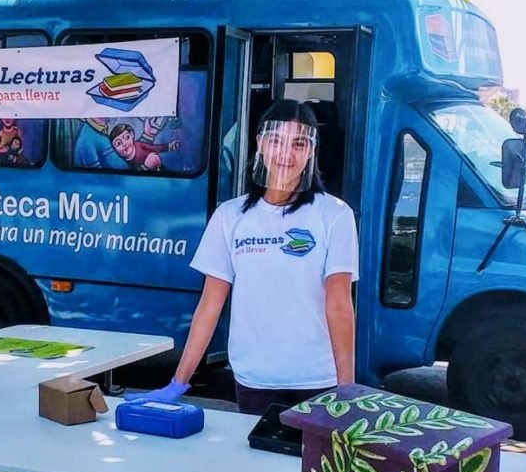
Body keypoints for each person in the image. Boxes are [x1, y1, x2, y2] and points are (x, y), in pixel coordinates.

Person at [135, 99, 358, 416]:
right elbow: (210, 306)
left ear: (311, 151)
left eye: (298, 143)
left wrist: (346, 388)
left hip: (317, 379)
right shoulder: (231, 216)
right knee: (256, 464)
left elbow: (339, 304)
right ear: (260, 144)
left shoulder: (334, 214)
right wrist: (178, 383)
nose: (286, 154)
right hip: (254, 379)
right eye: (276, 140)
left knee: (310, 468)